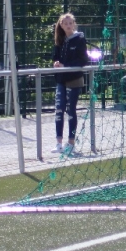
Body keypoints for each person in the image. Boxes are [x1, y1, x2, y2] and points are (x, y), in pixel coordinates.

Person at [52, 13, 89, 155]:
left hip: (74, 79)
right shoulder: (60, 40)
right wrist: (56, 63)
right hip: (61, 79)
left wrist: (66, 65)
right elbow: (55, 57)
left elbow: (83, 60)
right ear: (61, 25)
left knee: (71, 110)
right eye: (65, 23)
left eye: (70, 23)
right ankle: (58, 143)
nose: (68, 26)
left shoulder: (79, 39)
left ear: (74, 24)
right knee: (59, 109)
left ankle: (71, 143)